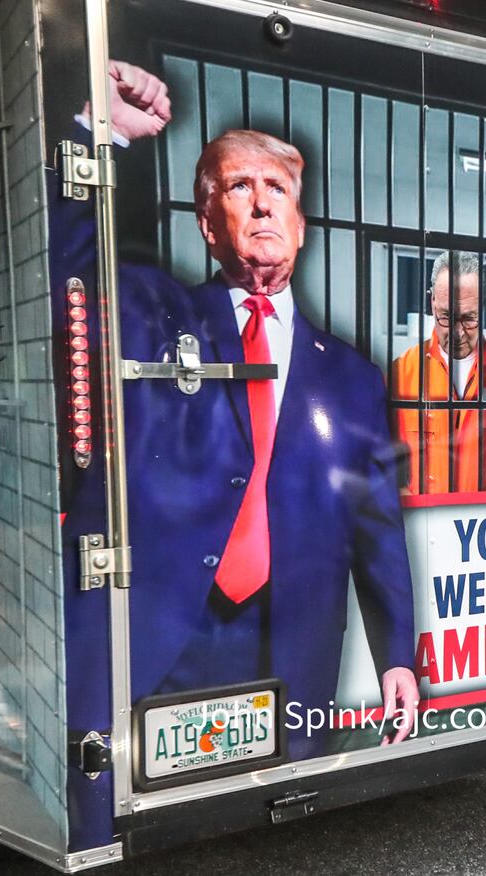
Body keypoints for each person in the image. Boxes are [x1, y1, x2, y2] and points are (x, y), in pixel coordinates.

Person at [54, 62, 418, 778]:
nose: (260, 205)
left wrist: (396, 655)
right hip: (160, 637)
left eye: (277, 189)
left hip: (289, 645)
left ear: (302, 227)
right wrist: (99, 131)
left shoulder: (352, 376)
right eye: (238, 187)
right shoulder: (152, 314)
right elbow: (65, 263)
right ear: (207, 225)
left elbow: (377, 526)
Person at [390, 250, 486, 493]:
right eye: (446, 317)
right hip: (423, 525)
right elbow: (382, 463)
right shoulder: (401, 374)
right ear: (432, 302)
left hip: (485, 526)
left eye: (469, 318)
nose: (458, 333)